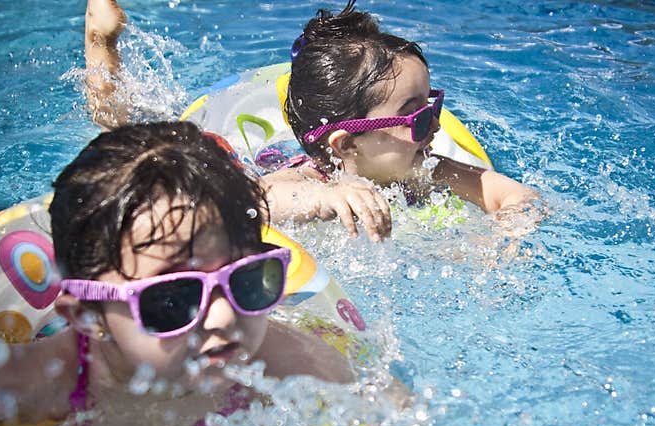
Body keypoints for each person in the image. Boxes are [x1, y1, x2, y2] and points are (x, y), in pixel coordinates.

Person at [0, 121, 353, 426]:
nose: (224, 316)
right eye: (173, 298)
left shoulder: (280, 360)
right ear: (87, 316)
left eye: (246, 281)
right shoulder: (20, 387)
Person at [83, 0, 541, 244]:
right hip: (251, 160)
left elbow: (512, 194)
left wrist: (508, 233)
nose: (434, 129)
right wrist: (325, 196)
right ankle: (100, 42)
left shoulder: (426, 170)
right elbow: (255, 202)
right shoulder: (307, 177)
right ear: (345, 146)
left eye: (433, 108)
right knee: (128, 139)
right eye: (415, 119)